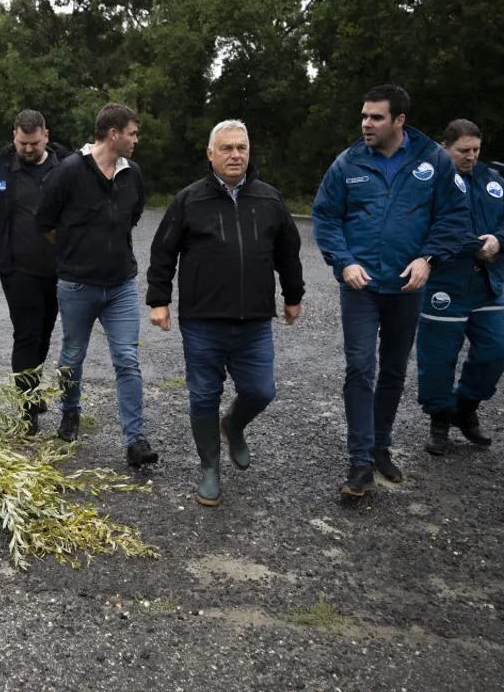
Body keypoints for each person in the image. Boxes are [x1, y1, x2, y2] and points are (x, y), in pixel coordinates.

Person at [312, 84, 471, 497]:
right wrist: (344, 262)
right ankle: (360, 460)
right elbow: (326, 217)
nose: (366, 123)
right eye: (364, 116)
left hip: (406, 286)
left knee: (394, 371)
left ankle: (381, 445)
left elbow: (453, 216)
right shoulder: (347, 163)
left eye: (376, 117)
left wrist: (427, 258)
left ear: (399, 121)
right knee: (360, 367)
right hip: (360, 287)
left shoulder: (433, 160)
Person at [147, 120, 304, 507]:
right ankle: (209, 468)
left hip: (254, 321)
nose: (235, 155)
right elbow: (163, 251)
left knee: (261, 390)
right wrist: (159, 300)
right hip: (203, 320)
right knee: (203, 395)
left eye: (241, 148)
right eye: (227, 148)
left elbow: (288, 251)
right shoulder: (189, 200)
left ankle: (233, 424)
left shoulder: (269, 199)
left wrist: (293, 294)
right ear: (210, 153)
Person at [35, 103, 157, 467]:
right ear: (113, 133)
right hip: (77, 285)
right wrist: (75, 252)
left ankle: (135, 439)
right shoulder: (69, 171)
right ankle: (70, 412)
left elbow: (133, 215)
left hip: (121, 285)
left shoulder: (132, 173)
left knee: (128, 360)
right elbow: (45, 222)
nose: (136, 140)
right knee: (72, 356)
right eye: (133, 133)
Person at [418, 119, 504, 455]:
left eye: (476, 150)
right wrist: (471, 244)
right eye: (464, 150)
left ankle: (464, 409)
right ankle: (439, 420)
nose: (471, 157)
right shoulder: (427, 180)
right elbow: (424, 225)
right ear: (445, 147)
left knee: (497, 351)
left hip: (487, 283)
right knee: (437, 359)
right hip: (444, 284)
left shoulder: (493, 179)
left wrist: (499, 240)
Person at [0, 110, 70, 434]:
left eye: (33, 143)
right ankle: (28, 408)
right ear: (14, 136)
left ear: (46, 136)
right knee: (26, 333)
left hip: (59, 270)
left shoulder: (65, 168)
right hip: (18, 269)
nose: (27, 149)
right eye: (21, 143)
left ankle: (33, 386)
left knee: (43, 332)